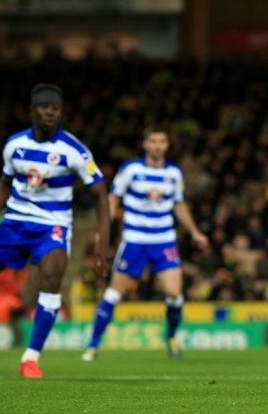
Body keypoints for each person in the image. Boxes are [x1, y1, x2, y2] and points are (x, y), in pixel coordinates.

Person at [0, 84, 112, 378]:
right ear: (32, 110)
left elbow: (100, 195)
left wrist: (104, 241)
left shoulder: (74, 150)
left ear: (60, 112)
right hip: (13, 222)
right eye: (45, 107)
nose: (50, 113)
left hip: (53, 226)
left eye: (55, 108)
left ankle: (30, 359)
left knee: (51, 280)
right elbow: (4, 183)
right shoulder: (14, 145)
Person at [82, 126, 208, 361]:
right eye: (153, 141)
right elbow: (113, 198)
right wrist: (104, 229)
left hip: (164, 239)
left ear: (167, 145)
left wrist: (194, 231)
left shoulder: (174, 173)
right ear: (145, 144)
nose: (158, 146)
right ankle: (92, 345)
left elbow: (179, 204)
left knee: (174, 293)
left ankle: (170, 337)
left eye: (162, 141)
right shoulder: (130, 169)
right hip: (135, 239)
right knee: (114, 293)